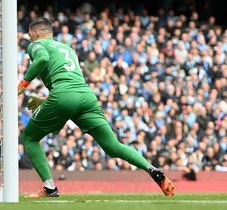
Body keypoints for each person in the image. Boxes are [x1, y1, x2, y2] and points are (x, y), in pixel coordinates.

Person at [18, 17, 175, 198]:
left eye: (31, 35)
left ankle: (50, 188)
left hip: (64, 96)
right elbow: (70, 84)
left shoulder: (37, 45)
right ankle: (151, 168)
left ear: (36, 33)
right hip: (86, 96)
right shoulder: (67, 48)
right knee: (113, 146)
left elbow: (43, 60)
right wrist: (47, 101)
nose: (30, 39)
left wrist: (23, 84)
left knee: (29, 138)